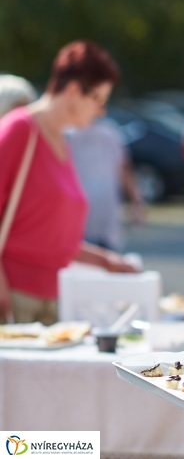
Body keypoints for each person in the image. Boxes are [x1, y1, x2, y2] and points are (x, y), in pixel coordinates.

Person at [0, 41, 138, 325]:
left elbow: (51, 236)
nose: (102, 111)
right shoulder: (19, 130)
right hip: (13, 298)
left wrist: (105, 261)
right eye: (99, 99)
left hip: (54, 298)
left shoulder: (61, 141)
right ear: (74, 90)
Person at [66, 117, 145, 252]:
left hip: (100, 214)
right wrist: (136, 202)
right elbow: (124, 169)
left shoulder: (110, 133)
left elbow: (124, 168)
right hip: (84, 214)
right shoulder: (67, 134)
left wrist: (136, 201)